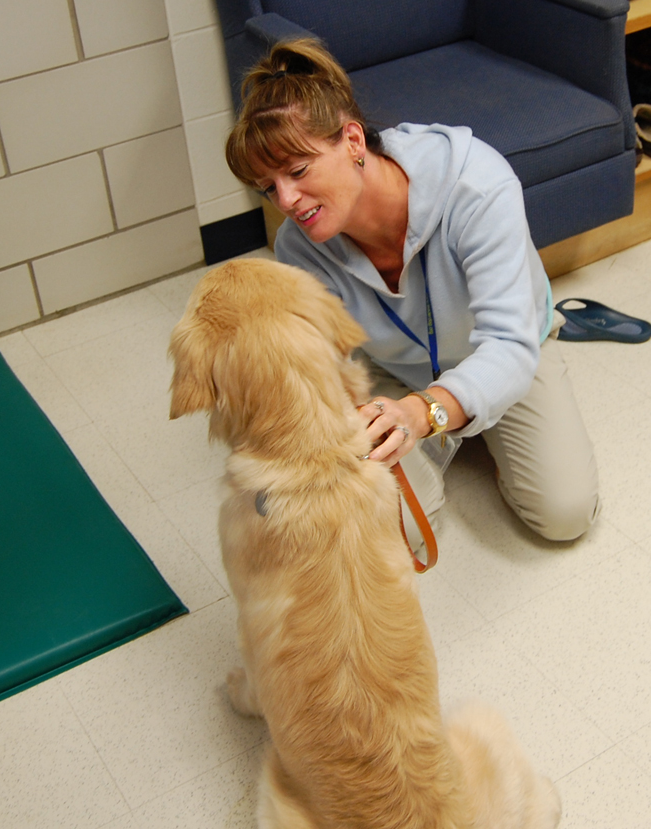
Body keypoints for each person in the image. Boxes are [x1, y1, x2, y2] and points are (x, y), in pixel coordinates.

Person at [225, 38, 600, 543]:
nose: (287, 200)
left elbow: (510, 345)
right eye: (269, 187)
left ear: (352, 141)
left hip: (502, 350)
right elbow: (324, 367)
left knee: (566, 514)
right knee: (394, 532)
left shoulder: (476, 186)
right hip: (391, 372)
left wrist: (425, 412)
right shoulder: (299, 246)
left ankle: (479, 427)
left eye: (297, 171)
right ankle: (456, 426)